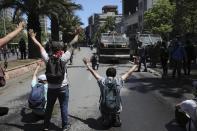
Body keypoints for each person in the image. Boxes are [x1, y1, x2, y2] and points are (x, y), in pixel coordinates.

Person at [29, 28, 79, 131]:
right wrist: (77, 34)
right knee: (63, 107)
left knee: (49, 108)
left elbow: (40, 47)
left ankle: (46, 126)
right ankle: (65, 126)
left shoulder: (47, 58)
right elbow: (71, 45)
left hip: (51, 88)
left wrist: (33, 37)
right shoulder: (64, 58)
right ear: (60, 50)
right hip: (63, 87)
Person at [83, 57, 138, 127]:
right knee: (119, 104)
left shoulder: (102, 81)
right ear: (115, 75)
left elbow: (93, 72)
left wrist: (87, 65)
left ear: (106, 74)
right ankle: (116, 117)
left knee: (102, 105)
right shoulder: (119, 81)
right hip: (116, 107)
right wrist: (135, 65)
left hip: (105, 107)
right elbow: (128, 73)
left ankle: (106, 118)